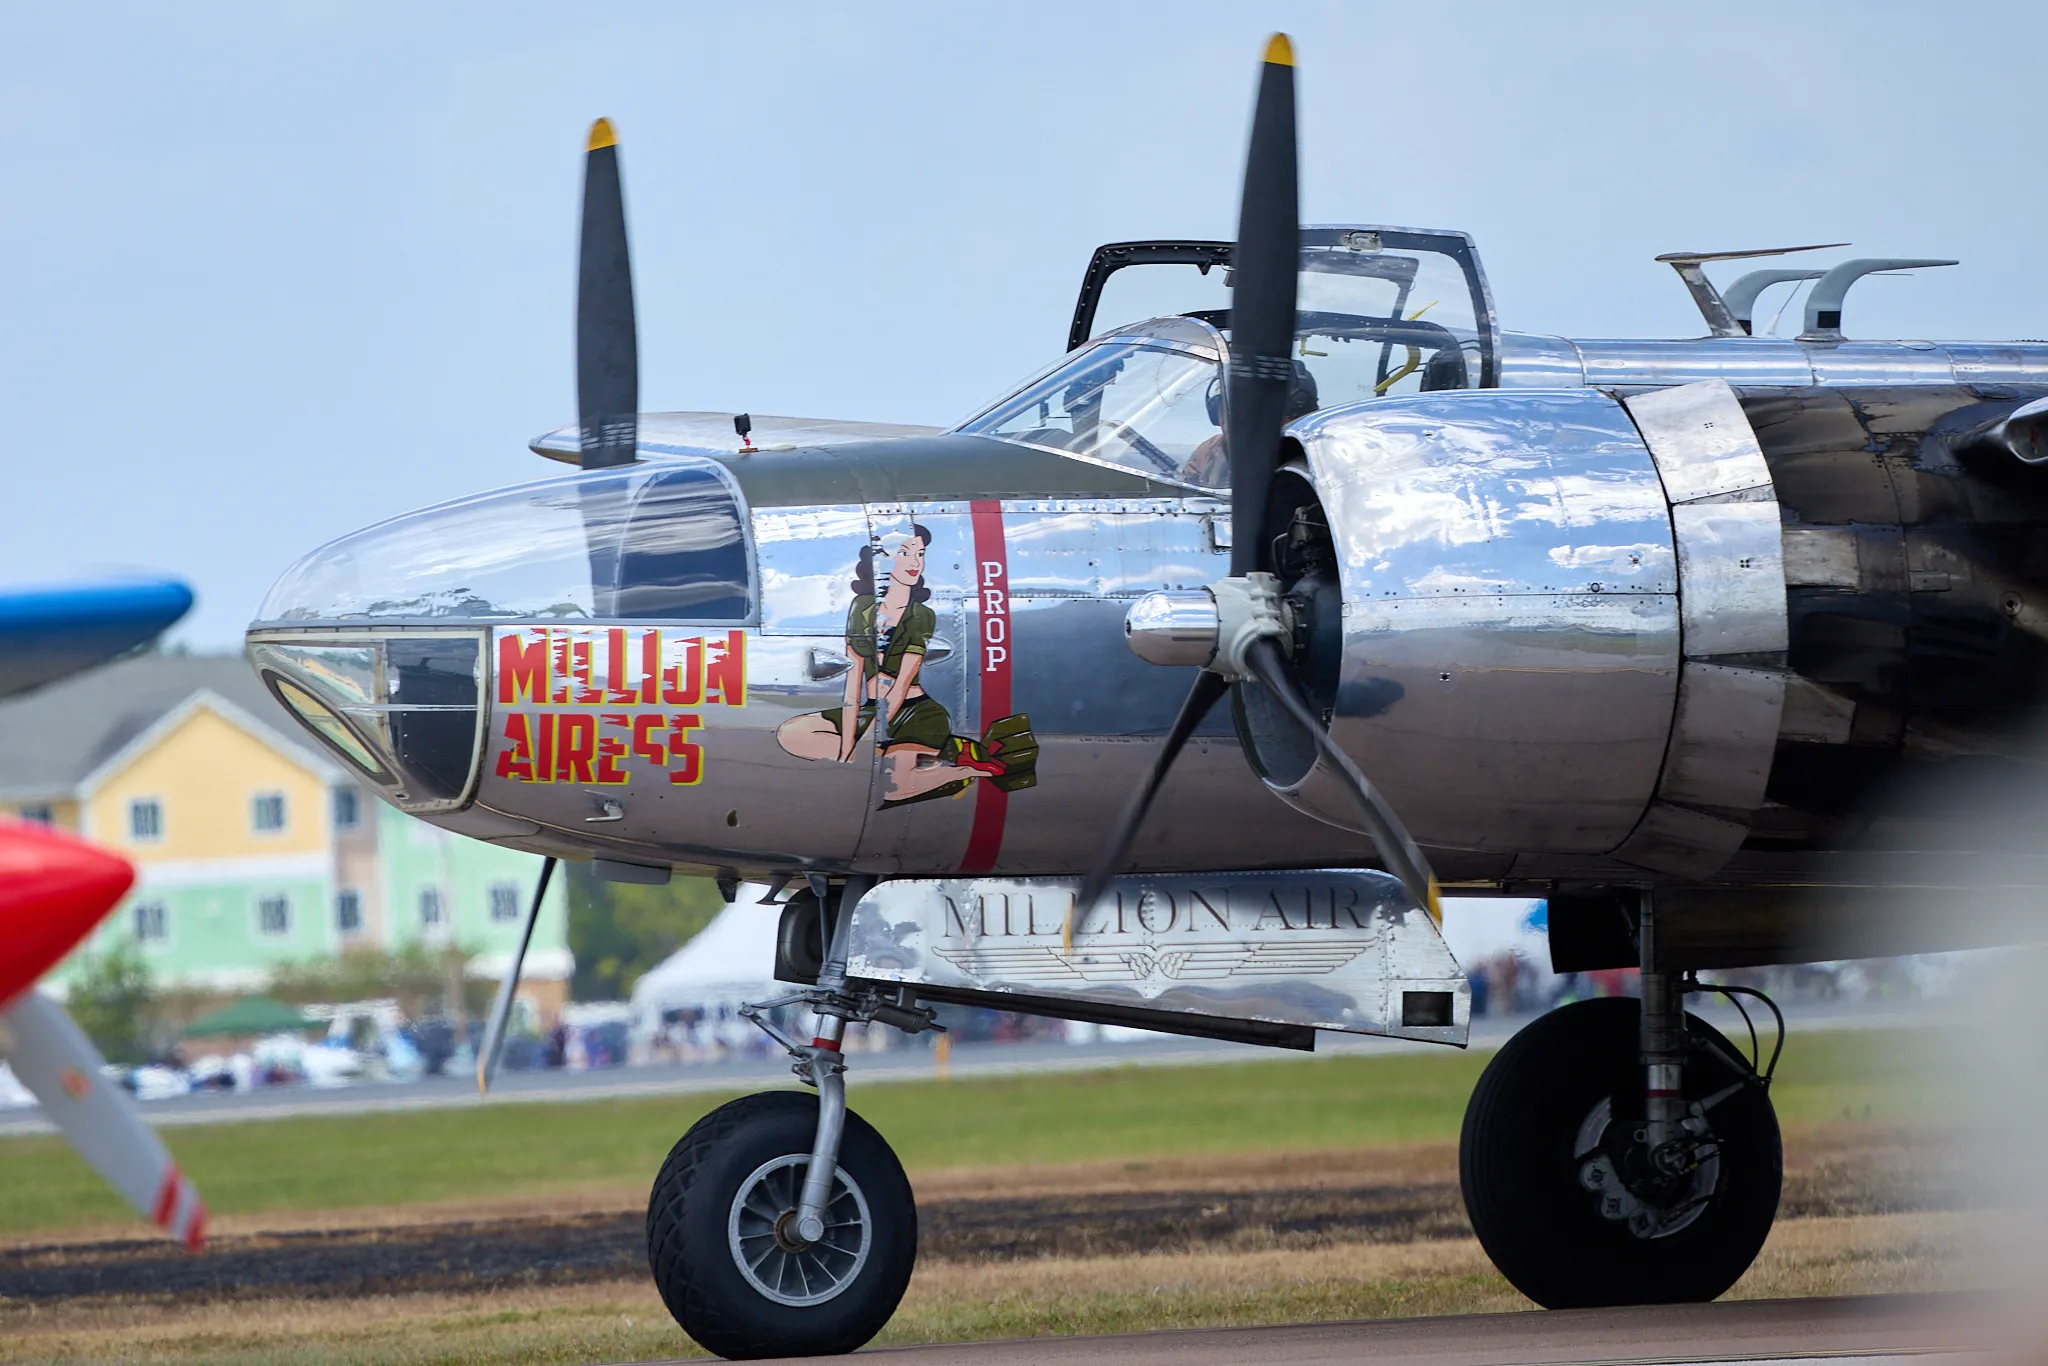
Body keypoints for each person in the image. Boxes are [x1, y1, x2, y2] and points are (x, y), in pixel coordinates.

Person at [776, 526, 1037, 808]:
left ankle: (969, 767)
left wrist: (866, 740)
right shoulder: (862, 607)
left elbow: (902, 682)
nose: (915, 563)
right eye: (904, 553)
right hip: (871, 708)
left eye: (920, 554)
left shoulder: (921, 615)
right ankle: (930, 755)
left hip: (916, 713)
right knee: (791, 735)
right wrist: (848, 746)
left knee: (895, 789)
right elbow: (854, 681)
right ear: (882, 560)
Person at [1180, 359, 1321, 487]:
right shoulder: (1210, 450)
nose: (1231, 419)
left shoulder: (1319, 459)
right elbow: (1185, 491)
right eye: (1223, 408)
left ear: (1294, 412)